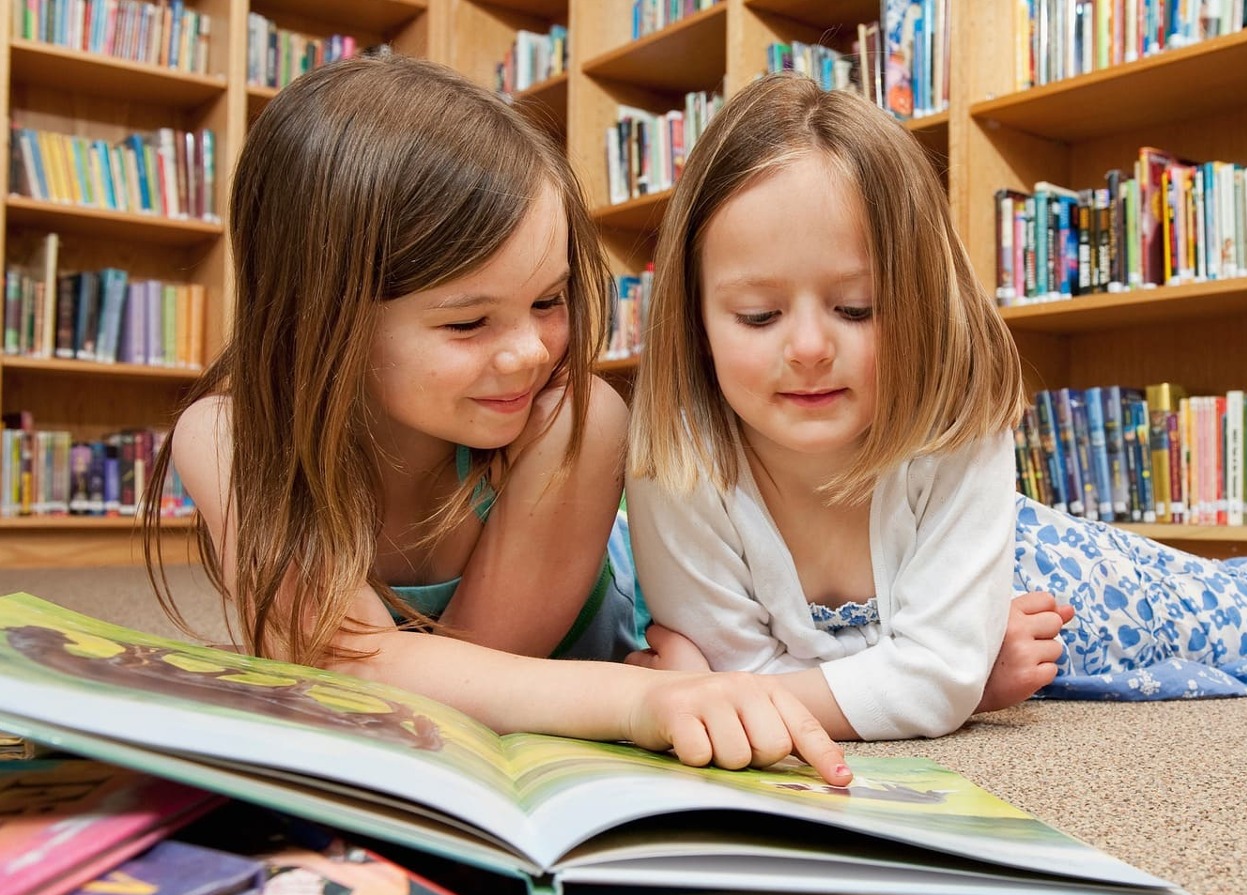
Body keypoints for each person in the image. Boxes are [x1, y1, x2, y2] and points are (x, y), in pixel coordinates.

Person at [141, 54, 851, 785]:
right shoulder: (229, 438)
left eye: (549, 301)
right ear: (317, 317)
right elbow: (356, 668)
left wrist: (657, 691)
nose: (528, 353)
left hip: (662, 631)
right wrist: (645, 699)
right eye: (470, 321)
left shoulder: (574, 423)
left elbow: (465, 685)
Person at [625, 73, 1247, 743]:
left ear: (921, 306)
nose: (810, 348)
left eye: (858, 308)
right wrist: (942, 680)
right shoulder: (673, 464)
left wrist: (936, 683)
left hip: (1057, 573)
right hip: (983, 634)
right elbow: (746, 694)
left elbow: (739, 691)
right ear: (694, 319)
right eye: (758, 316)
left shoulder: (954, 423)